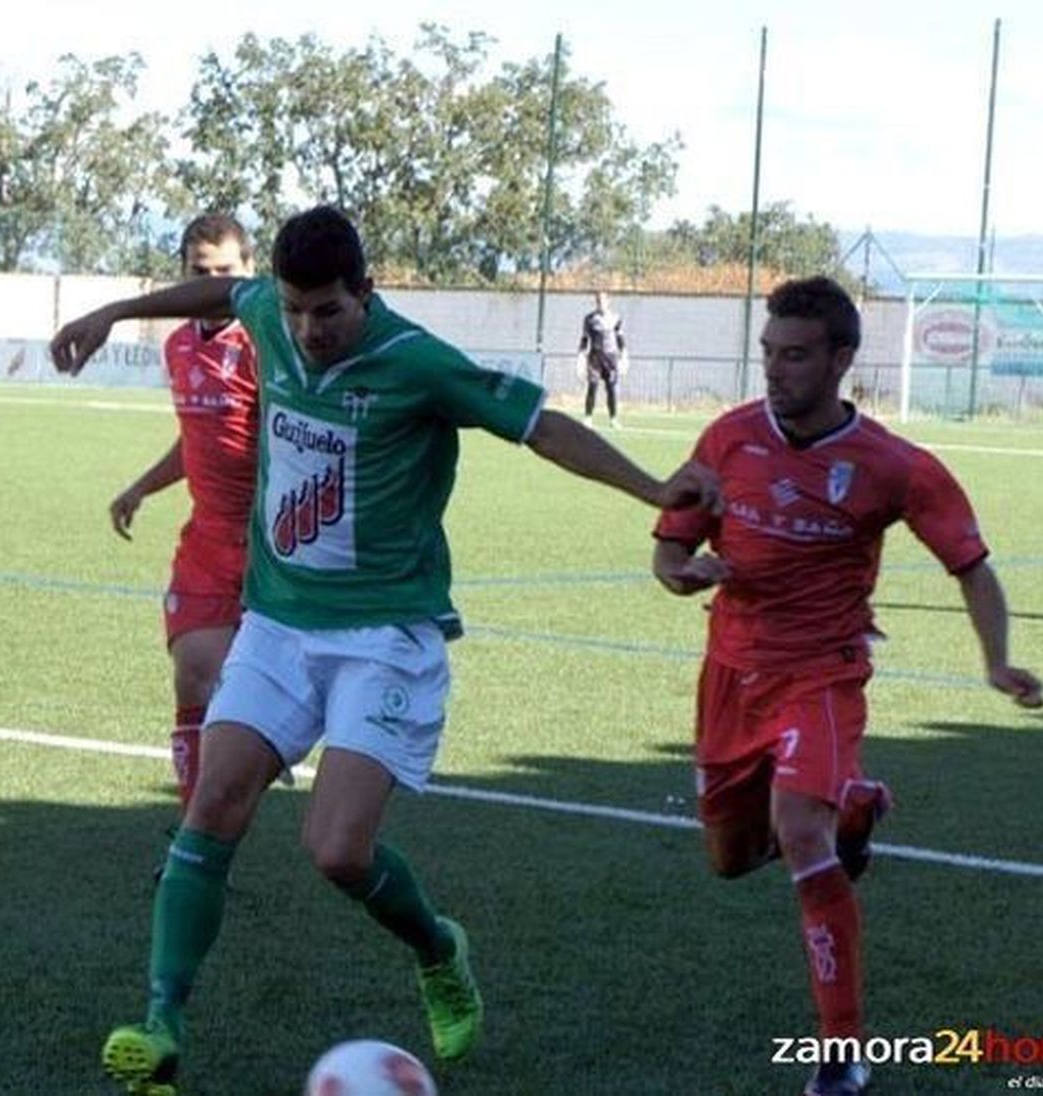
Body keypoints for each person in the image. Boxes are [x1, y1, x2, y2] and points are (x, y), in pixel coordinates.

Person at [51, 205, 721, 1096]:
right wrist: (116, 313)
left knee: (337, 851)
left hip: (385, 638)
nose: (305, 330)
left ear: (366, 293)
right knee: (211, 805)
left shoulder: (416, 363)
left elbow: (541, 427)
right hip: (280, 624)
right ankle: (162, 1026)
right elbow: (224, 289)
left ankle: (440, 950)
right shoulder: (269, 320)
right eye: (293, 310)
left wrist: (653, 490)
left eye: (325, 311)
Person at [651, 275, 1043, 1096]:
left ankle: (842, 1052)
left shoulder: (894, 467)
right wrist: (686, 574)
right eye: (768, 352)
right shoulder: (725, 439)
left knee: (798, 831)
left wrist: (996, 660)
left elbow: (971, 567)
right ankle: (856, 805)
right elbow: (667, 551)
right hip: (730, 676)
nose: (775, 370)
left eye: (795, 356)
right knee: (729, 860)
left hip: (823, 676)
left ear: (841, 360)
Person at [106, 213, 259, 810]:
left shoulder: (268, 344)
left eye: (226, 271)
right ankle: (193, 834)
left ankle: (260, 746)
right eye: (202, 273)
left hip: (275, 548)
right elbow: (197, 440)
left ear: (250, 270)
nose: (215, 283)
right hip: (206, 545)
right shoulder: (176, 346)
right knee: (193, 675)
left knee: (260, 695)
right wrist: (142, 486)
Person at [576, 289, 628, 429]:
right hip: (595, 357)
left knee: (611, 388)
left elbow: (620, 338)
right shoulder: (590, 318)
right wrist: (581, 356)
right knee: (592, 387)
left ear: (608, 301)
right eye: (598, 300)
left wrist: (624, 356)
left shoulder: (616, 318)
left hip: (611, 357)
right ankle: (588, 417)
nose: (600, 303)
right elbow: (585, 338)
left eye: (603, 300)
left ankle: (613, 418)